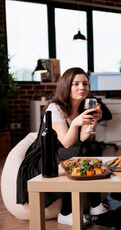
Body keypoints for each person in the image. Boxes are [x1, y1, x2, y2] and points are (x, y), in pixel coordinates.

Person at [17, 67, 108, 226]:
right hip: (46, 156)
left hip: (69, 151)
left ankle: (95, 205)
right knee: (80, 153)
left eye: (85, 84)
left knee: (93, 147)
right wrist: (75, 123)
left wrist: (94, 122)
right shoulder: (55, 107)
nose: (82, 88)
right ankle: (66, 212)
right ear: (66, 86)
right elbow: (66, 142)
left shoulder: (83, 106)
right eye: (76, 84)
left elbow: (84, 138)